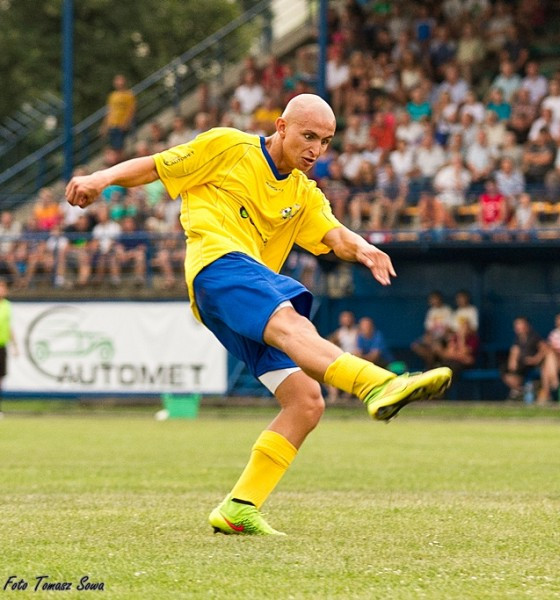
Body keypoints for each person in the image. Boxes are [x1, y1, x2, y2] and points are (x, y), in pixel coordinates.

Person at [65, 94, 452, 536]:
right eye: (309, 136)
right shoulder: (229, 146)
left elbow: (334, 234)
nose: (316, 150)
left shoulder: (304, 193)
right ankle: (378, 384)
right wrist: (101, 178)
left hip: (240, 290)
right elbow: (157, 165)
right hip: (218, 265)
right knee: (292, 324)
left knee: (306, 402)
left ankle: (239, 506)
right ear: (282, 126)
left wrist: (362, 247)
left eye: (325, 141)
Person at [501, 316, 548, 401]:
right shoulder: (518, 338)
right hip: (521, 362)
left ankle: (518, 392)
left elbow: (544, 348)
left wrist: (535, 359)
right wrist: (512, 361)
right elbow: (514, 351)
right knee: (505, 368)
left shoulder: (534, 336)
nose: (518, 327)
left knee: (518, 371)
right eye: (517, 325)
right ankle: (519, 390)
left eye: (520, 324)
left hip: (530, 364)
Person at [411, 291, 453, 369]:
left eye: (435, 299)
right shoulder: (431, 311)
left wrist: (437, 338)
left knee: (435, 346)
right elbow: (428, 329)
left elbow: (449, 329)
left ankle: (433, 367)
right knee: (415, 345)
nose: (433, 301)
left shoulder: (447, 310)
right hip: (433, 338)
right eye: (432, 299)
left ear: (439, 299)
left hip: (443, 338)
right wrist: (429, 337)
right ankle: (433, 365)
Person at [102, 74, 136, 154]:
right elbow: (109, 110)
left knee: (120, 147)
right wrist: (105, 125)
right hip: (112, 125)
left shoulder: (129, 95)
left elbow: (132, 110)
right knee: (112, 147)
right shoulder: (112, 95)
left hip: (121, 125)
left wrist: (127, 123)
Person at [0, 279, 18, 419]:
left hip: (2, 346)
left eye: (3, 287)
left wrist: (15, 345)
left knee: (1, 378)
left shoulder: (7, 305)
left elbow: (9, 326)